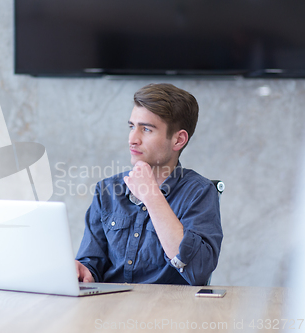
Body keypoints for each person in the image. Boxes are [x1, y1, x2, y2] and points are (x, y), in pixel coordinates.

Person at [75, 83, 223, 286]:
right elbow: (91, 263)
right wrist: (83, 270)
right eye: (131, 127)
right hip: (109, 310)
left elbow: (198, 271)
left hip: (169, 313)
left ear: (178, 140)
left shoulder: (199, 192)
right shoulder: (107, 190)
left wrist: (152, 196)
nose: (132, 139)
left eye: (146, 129)